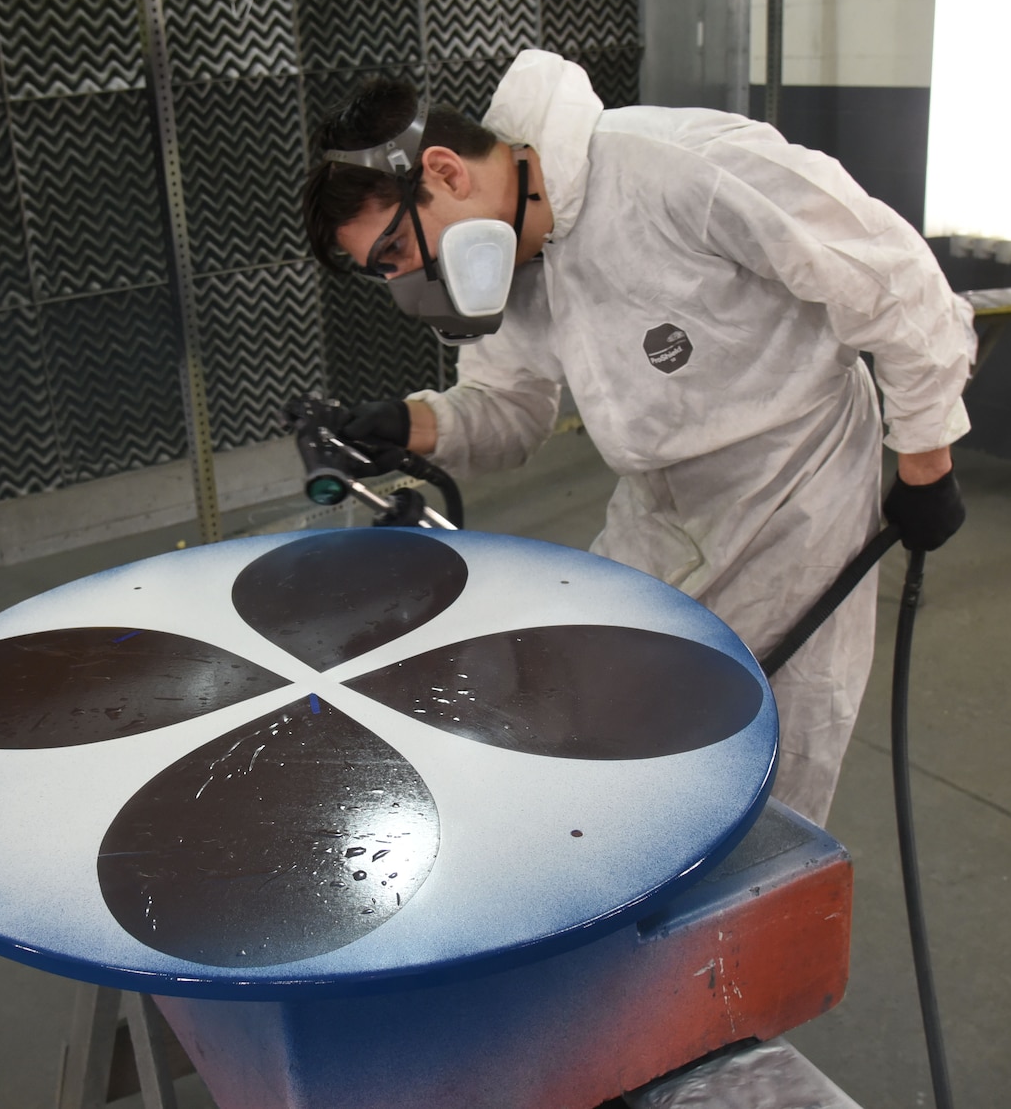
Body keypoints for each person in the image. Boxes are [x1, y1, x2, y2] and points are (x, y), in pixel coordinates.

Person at [299, 50, 971, 827]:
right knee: (603, 722)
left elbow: (892, 280)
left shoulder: (675, 167)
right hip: (656, 509)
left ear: (445, 173)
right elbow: (512, 408)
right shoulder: (514, 252)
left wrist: (926, 461)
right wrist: (407, 426)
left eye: (395, 251)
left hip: (797, 497)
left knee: (768, 751)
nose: (404, 277)